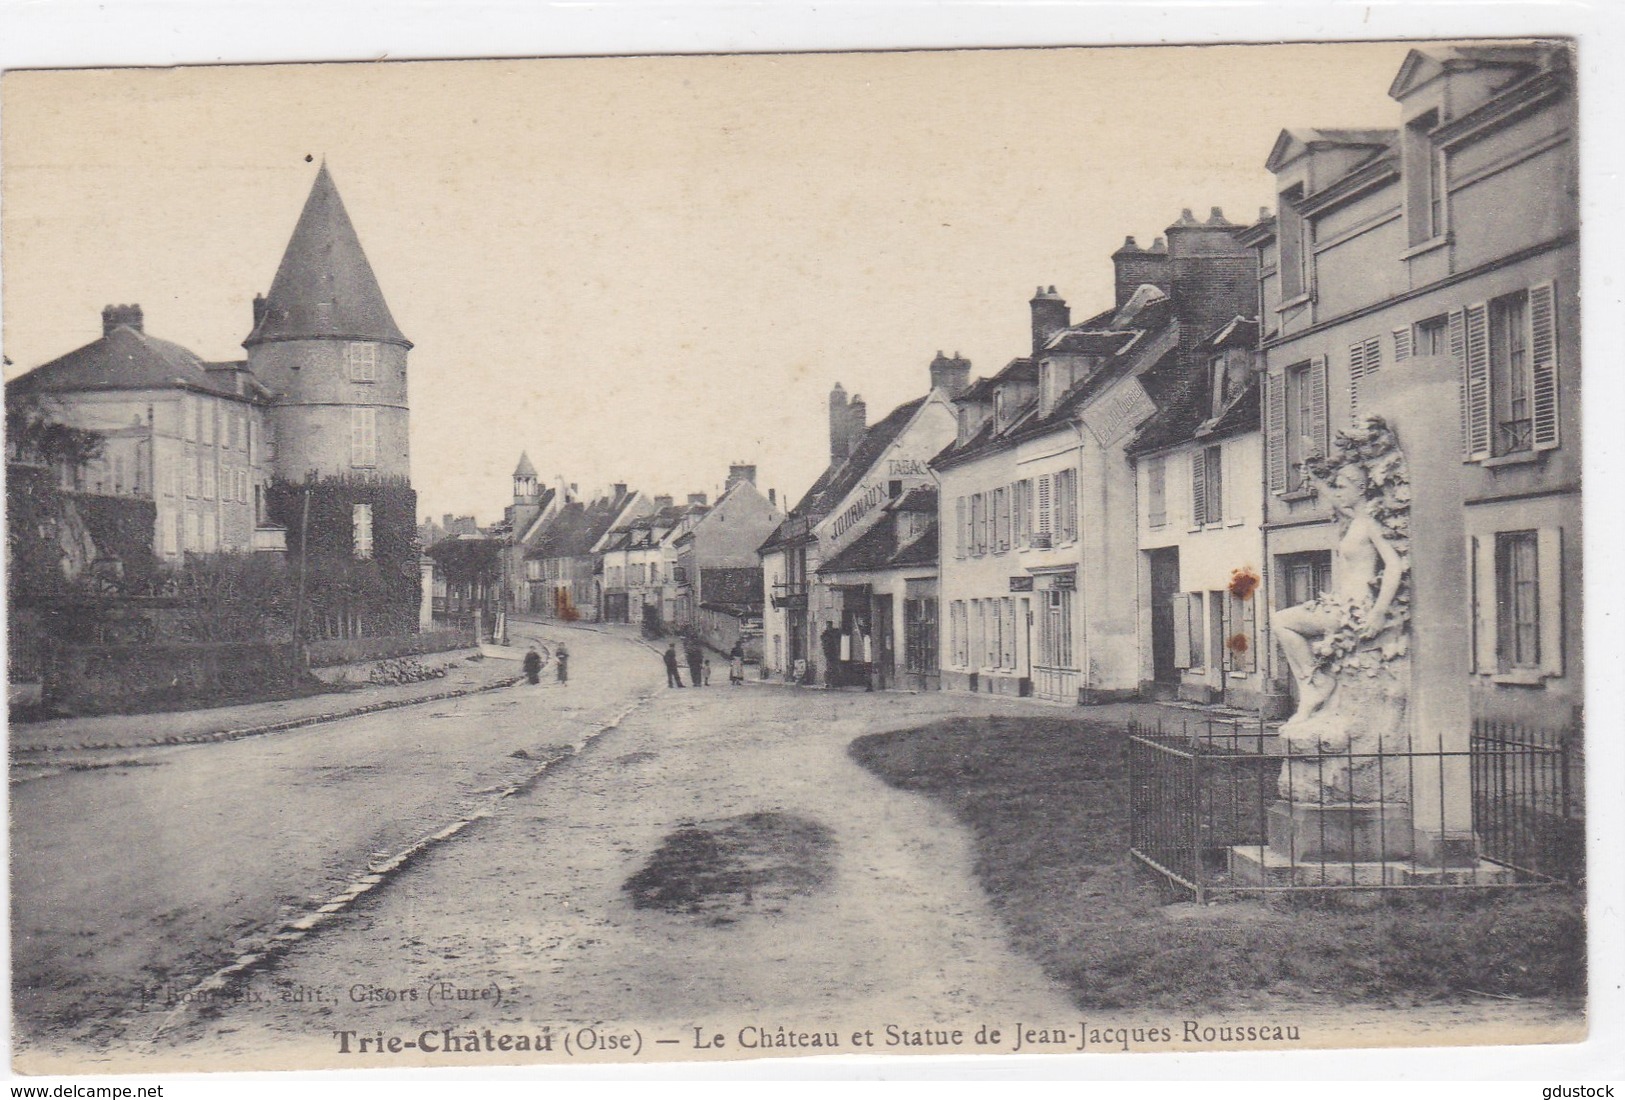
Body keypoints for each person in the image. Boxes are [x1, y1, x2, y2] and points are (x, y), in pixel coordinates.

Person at [1273, 451, 1407, 725]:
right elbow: (1335, 500)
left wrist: (1378, 612)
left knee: (1282, 620)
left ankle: (1315, 684)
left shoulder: (1370, 523)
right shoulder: (1355, 519)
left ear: (1360, 489)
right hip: (1341, 603)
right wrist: (1315, 476)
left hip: (1355, 610)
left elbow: (1394, 566)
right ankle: (1313, 684)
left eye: (1343, 487)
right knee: (1281, 621)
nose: (1339, 493)